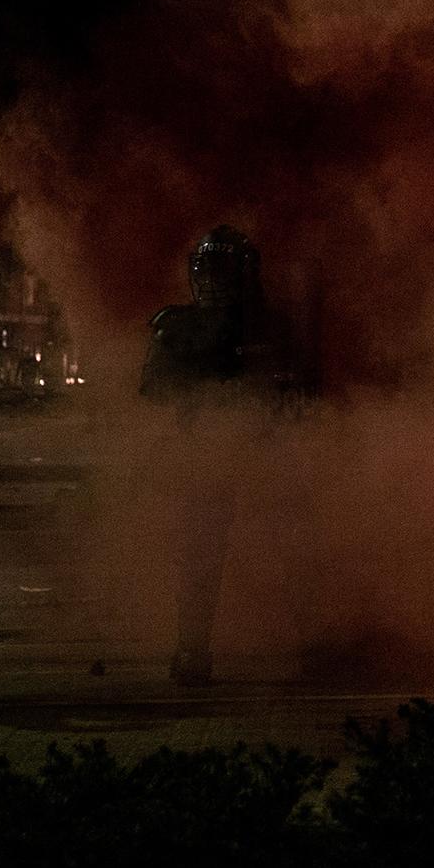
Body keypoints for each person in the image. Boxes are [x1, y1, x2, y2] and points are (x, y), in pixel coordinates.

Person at [140, 225, 301, 686]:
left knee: (292, 543)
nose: (212, 279)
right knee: (200, 553)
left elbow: (299, 394)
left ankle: (306, 637)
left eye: (223, 269)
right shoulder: (176, 325)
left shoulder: (274, 326)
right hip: (205, 455)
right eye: (206, 268)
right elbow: (153, 390)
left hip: (266, 451)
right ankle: (193, 647)